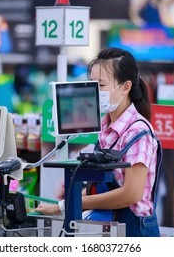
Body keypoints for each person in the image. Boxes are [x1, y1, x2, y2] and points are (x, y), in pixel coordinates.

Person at [36, 47, 163, 237]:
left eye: (101, 85)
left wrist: (67, 205)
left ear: (125, 87)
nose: (95, 91)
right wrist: (65, 202)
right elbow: (103, 188)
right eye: (92, 84)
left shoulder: (138, 132)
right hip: (110, 226)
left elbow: (131, 194)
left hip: (136, 231)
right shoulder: (104, 128)